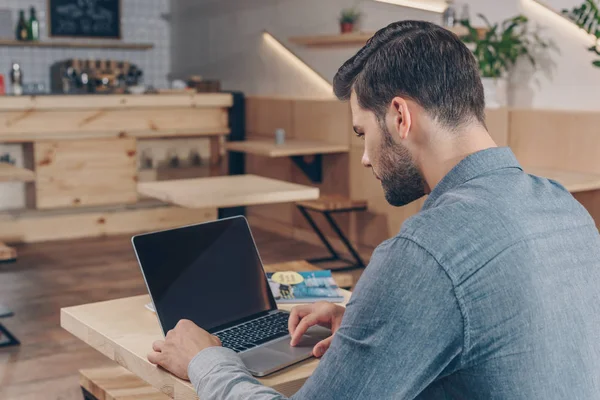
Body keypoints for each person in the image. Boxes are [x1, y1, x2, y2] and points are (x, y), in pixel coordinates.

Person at [146, 20, 600, 399]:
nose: (364, 158)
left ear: (400, 117)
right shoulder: (566, 209)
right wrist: (379, 328)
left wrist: (208, 362)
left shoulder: (424, 254)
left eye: (363, 133)